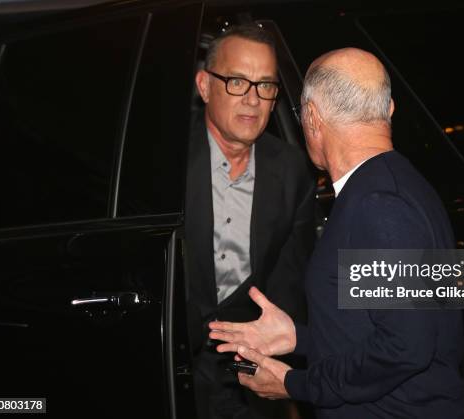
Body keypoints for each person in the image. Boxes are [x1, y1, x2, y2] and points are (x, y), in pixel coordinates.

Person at [209, 48, 464, 418]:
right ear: (390, 108)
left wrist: (294, 384)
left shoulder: (378, 204)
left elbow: (405, 348)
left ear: (312, 118)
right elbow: (381, 332)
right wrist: (297, 338)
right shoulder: (393, 186)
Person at [184, 25, 315, 419]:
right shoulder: (165, 162)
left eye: (265, 86)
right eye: (238, 81)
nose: (253, 100)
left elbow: (290, 284)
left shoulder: (292, 170)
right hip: (172, 367)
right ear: (205, 86)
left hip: (245, 374)